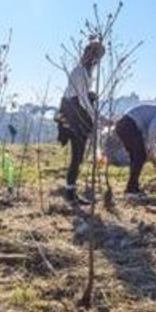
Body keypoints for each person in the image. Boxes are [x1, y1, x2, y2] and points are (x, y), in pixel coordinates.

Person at [55, 40, 105, 204]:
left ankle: (71, 192)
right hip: (73, 111)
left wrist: (90, 96)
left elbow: (84, 95)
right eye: (97, 57)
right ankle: (70, 194)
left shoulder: (85, 72)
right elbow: (81, 98)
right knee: (77, 154)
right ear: (90, 55)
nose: (97, 62)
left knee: (79, 154)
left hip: (75, 109)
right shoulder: (80, 71)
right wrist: (95, 115)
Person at [113, 104, 156, 199]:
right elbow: (152, 129)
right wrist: (151, 150)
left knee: (135, 157)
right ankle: (131, 189)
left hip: (123, 125)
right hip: (129, 124)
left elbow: (145, 135)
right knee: (140, 156)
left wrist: (150, 151)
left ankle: (133, 187)